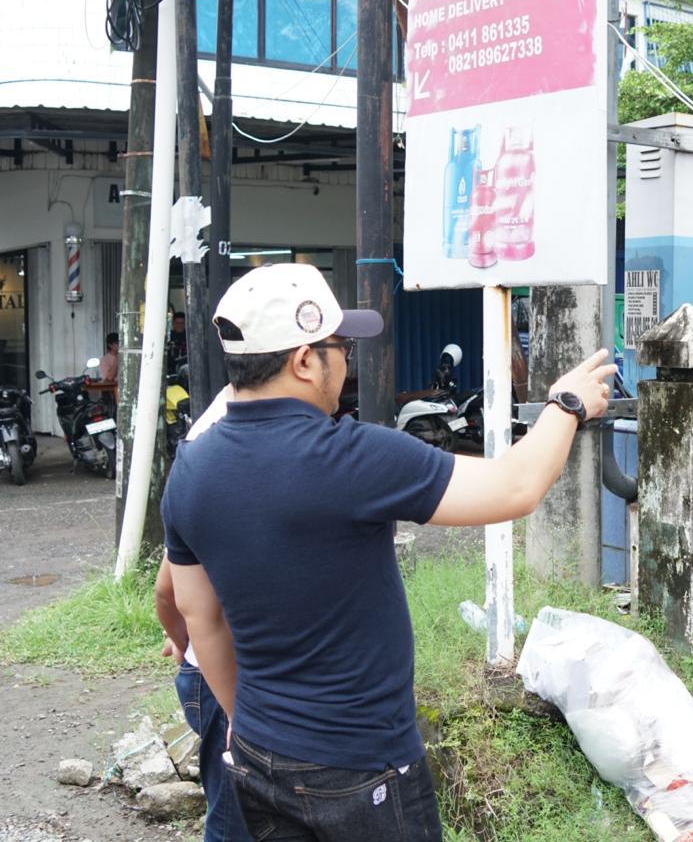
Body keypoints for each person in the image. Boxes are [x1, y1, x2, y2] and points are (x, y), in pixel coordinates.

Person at [161, 264, 614, 841]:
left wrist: (242, 722)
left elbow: (202, 618)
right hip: (361, 764)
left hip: (256, 752)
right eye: (340, 345)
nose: (346, 360)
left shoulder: (191, 468)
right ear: (304, 360)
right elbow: (516, 487)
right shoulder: (352, 457)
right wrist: (566, 405)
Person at [154, 384, 251, 842]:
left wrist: (183, 638)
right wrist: (189, 641)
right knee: (232, 813)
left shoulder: (201, 470)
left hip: (215, 675)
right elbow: (167, 592)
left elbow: (168, 592)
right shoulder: (217, 473)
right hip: (221, 682)